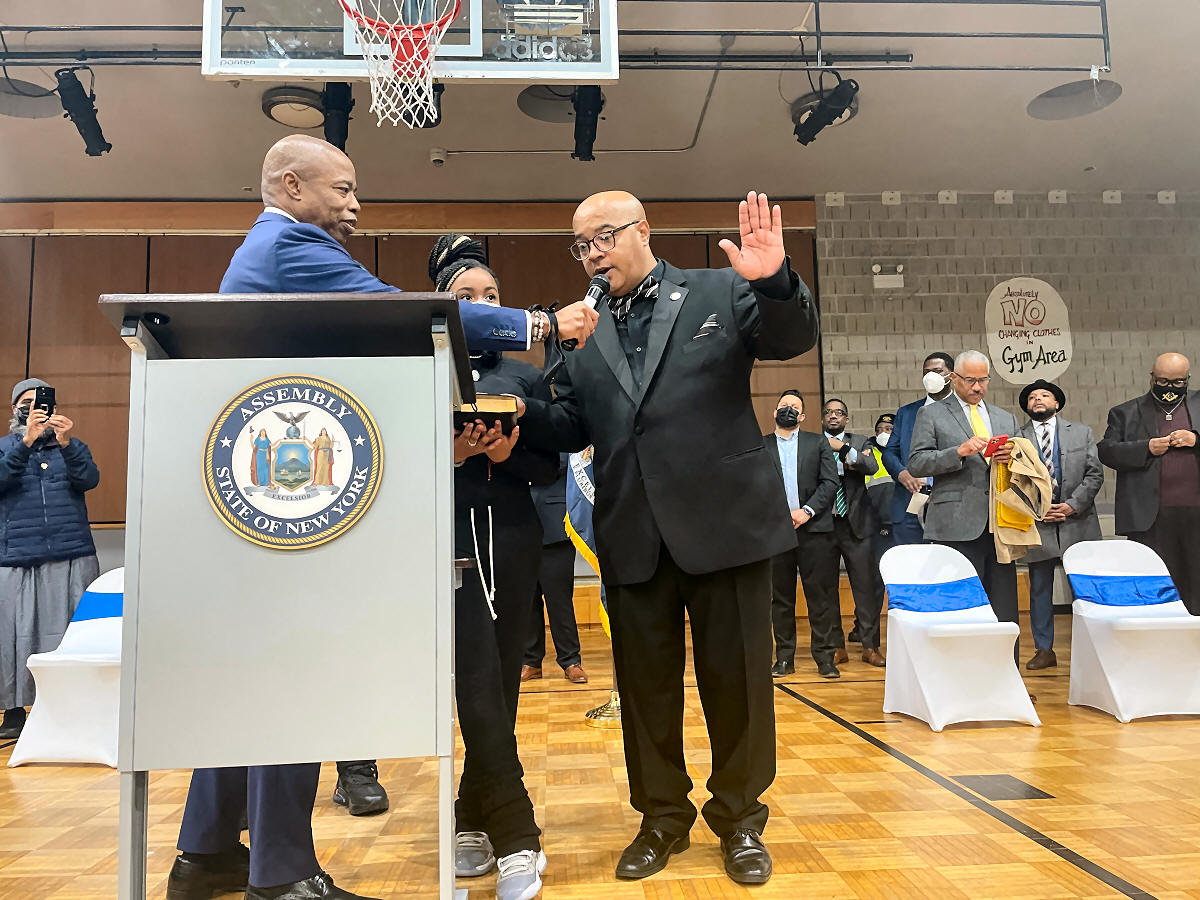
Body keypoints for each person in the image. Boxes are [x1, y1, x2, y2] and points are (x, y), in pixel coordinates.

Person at [167, 135, 597, 900]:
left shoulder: (267, 251)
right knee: (291, 679)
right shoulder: (291, 247)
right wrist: (538, 325)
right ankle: (280, 872)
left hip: (262, 504)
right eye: (343, 189)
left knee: (253, 679)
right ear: (290, 185)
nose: (356, 205)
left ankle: (206, 853)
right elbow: (405, 316)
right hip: (293, 506)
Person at [519, 190, 819, 886]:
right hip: (632, 531)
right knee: (646, 692)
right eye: (582, 244)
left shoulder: (719, 290)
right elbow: (570, 423)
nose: (593, 253)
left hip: (726, 525)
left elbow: (789, 337)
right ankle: (661, 819)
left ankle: (740, 819)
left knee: (739, 684)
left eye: (604, 236)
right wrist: (515, 415)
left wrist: (775, 280)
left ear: (644, 230)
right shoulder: (581, 327)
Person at [433, 233, 558, 900]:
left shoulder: (525, 377)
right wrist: (450, 454)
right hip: (442, 537)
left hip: (510, 536)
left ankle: (470, 813)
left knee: (499, 680)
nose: (482, 304)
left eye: (492, 295)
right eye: (467, 297)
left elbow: (550, 466)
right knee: (473, 679)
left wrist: (508, 455)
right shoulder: (419, 369)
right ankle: (514, 829)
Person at [0, 379, 100, 740]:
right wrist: (26, 442)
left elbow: (89, 480)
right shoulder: (4, 447)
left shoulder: (71, 445)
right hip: (17, 557)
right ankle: (14, 712)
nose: (34, 409)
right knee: (14, 637)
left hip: (70, 553)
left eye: (40, 403)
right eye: (25, 404)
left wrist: (67, 444)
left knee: (71, 635)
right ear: (14, 409)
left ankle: (74, 710)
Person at [908, 350, 1022, 656]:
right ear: (954, 378)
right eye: (970, 380)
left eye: (983, 380)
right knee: (959, 604)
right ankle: (959, 669)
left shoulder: (1005, 417)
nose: (977, 387)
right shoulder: (931, 414)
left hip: (1001, 523)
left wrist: (1012, 457)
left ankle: (1005, 671)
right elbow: (916, 462)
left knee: (1004, 606)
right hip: (955, 524)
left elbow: (1025, 461)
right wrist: (957, 452)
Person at [1099, 352, 1200, 614]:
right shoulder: (1125, 412)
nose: (1170, 387)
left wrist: (1196, 439)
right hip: (1149, 518)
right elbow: (1106, 451)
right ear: (1152, 377)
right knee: (1155, 585)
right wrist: (1145, 448)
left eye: (1178, 382)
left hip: (1196, 513)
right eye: (1163, 381)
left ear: (1188, 378)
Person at [1018, 379, 1103, 669]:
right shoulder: (1016, 439)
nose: (1038, 399)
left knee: (1083, 588)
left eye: (1044, 395)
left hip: (1078, 522)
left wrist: (1072, 505)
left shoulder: (1081, 432)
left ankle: (1092, 646)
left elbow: (1094, 474)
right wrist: (1038, 509)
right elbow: (1012, 481)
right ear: (1026, 406)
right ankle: (1044, 650)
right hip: (1037, 524)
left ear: (1057, 403)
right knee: (1039, 589)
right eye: (1032, 397)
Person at [761, 390, 838, 678]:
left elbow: (830, 482)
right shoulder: (761, 445)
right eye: (784, 405)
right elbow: (755, 486)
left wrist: (806, 511)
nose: (788, 409)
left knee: (820, 597)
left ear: (802, 416)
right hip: (776, 532)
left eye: (794, 407)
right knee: (781, 599)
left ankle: (825, 658)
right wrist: (781, 515)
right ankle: (784, 658)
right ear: (775, 412)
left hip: (814, 530)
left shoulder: (817, 442)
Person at [817, 399, 885, 672]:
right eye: (828, 412)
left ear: (847, 419)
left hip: (857, 523)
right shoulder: (813, 443)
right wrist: (849, 463)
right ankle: (836, 647)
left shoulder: (860, 441)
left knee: (865, 586)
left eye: (839, 413)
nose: (833, 416)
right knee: (826, 588)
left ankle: (870, 646)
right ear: (822, 418)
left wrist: (844, 449)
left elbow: (870, 466)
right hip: (823, 524)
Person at [522, 453, 587, 684]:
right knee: (527, 600)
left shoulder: (554, 430)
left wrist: (521, 462)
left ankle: (570, 661)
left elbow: (564, 461)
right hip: (519, 520)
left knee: (560, 600)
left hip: (555, 520)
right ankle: (531, 661)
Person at [881, 352, 955, 546]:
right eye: (926, 372)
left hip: (952, 502)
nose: (931, 376)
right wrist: (901, 473)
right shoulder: (907, 412)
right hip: (910, 500)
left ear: (952, 375)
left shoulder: (963, 411)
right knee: (911, 560)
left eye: (938, 371)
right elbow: (890, 452)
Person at [861, 413, 896, 644]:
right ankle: (868, 638)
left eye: (889, 429)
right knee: (872, 584)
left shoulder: (904, 452)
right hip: (874, 527)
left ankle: (900, 635)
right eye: (880, 429)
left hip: (901, 527)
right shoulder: (867, 453)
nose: (884, 432)